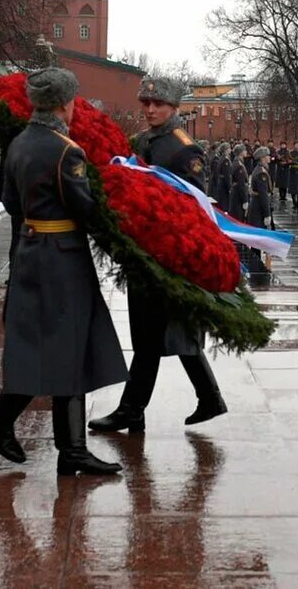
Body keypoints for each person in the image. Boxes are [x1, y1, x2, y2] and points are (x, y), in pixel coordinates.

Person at [0, 67, 128, 476]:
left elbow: (9, 200)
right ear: (66, 104)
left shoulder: (17, 144)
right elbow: (84, 209)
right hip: (63, 257)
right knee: (71, 343)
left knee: (40, 344)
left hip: (30, 252)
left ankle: (72, 448)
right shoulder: (67, 151)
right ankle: (11, 423)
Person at [89, 77, 228, 434]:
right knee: (150, 335)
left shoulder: (184, 149)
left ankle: (135, 409)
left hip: (168, 253)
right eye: (146, 103)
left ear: (174, 108)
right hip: (144, 249)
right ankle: (202, 398)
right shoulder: (140, 142)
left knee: (162, 334)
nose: (150, 110)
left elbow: (194, 204)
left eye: (158, 105)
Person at [248, 147, 273, 230]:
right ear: (262, 158)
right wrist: (267, 214)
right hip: (259, 209)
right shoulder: (261, 173)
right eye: (267, 155)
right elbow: (263, 195)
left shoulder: (259, 169)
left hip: (257, 206)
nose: (269, 157)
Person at [227, 143, 250, 221]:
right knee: (238, 218)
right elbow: (241, 184)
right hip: (238, 197)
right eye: (244, 150)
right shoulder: (239, 165)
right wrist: (245, 200)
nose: (246, 152)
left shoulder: (237, 162)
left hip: (236, 194)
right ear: (241, 152)